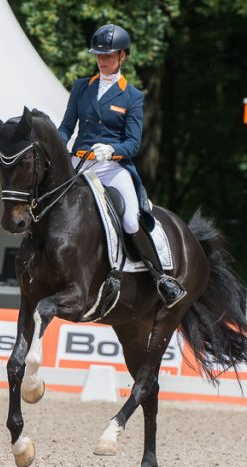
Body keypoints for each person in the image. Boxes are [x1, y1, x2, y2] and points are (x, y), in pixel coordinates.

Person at [57, 23, 186, 308]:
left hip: (112, 167)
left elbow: (133, 143)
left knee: (129, 219)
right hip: (79, 163)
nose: (102, 60)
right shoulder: (81, 87)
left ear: (123, 56)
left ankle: (159, 276)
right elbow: (67, 127)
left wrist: (111, 150)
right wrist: (59, 146)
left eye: (109, 55)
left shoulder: (132, 96)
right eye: (99, 55)